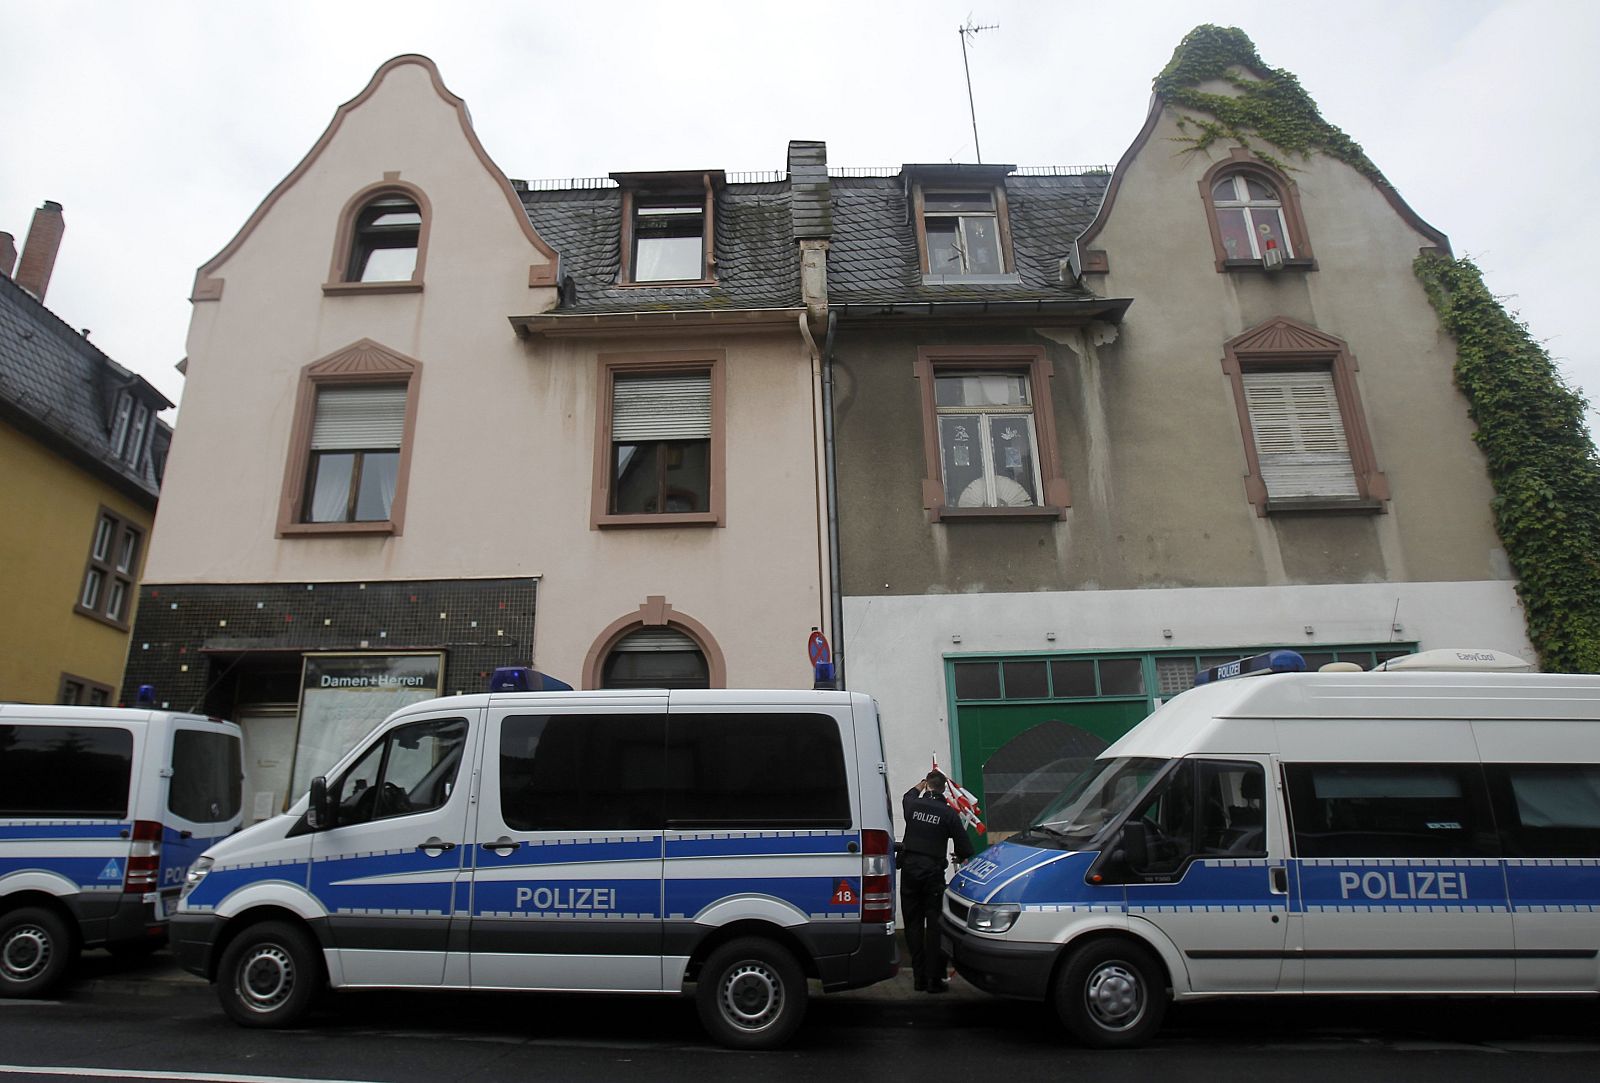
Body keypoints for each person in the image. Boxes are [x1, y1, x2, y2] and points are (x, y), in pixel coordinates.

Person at [899, 769, 974, 993]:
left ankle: (918, 978)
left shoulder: (912, 805)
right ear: (944, 790)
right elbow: (965, 847)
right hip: (932, 874)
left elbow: (907, 795)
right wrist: (958, 855)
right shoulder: (948, 813)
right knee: (934, 927)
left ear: (928, 786)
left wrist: (920, 784)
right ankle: (934, 980)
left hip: (910, 871)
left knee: (912, 925)